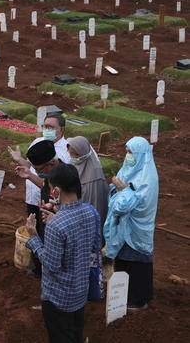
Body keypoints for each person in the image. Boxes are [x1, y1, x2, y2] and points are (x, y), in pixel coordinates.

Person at [25, 164, 99, 343]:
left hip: (58, 297)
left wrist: (34, 238)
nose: (50, 192)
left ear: (56, 190)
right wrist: (56, 215)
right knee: (75, 335)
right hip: (80, 290)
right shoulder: (90, 212)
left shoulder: (56, 225)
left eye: (50, 188)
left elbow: (51, 265)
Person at [104, 137, 158, 310]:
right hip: (123, 228)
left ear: (141, 154)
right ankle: (122, 297)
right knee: (123, 262)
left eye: (131, 152)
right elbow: (113, 193)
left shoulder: (147, 179)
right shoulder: (128, 169)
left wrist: (122, 190)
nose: (127, 155)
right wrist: (119, 190)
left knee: (137, 265)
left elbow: (122, 206)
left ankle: (139, 299)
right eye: (126, 151)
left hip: (136, 230)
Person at [9, 113, 70, 226]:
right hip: (32, 198)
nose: (47, 130)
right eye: (45, 127)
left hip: (50, 201)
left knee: (47, 228)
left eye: (51, 127)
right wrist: (19, 159)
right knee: (33, 225)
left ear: (61, 129)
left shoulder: (66, 151)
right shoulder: (38, 142)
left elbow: (56, 183)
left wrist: (30, 176)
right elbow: (30, 165)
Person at [15, 140, 61, 275]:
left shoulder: (64, 177)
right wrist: (29, 175)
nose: (39, 172)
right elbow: (46, 186)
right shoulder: (52, 172)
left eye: (39, 169)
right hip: (47, 216)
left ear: (51, 163)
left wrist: (54, 209)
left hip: (56, 224)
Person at [67, 136, 109, 225]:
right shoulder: (76, 165)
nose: (71, 156)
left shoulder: (95, 175)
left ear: (81, 153)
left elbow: (95, 205)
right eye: (70, 153)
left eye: (74, 154)